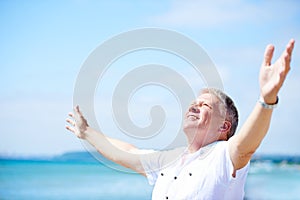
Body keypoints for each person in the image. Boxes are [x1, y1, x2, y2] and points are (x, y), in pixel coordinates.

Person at [66, 39, 295, 199]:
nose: (194, 105)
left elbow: (247, 145)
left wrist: (266, 99)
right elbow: (126, 151)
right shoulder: (169, 160)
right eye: (194, 102)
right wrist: (86, 132)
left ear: (224, 126)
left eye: (205, 105)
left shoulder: (223, 156)